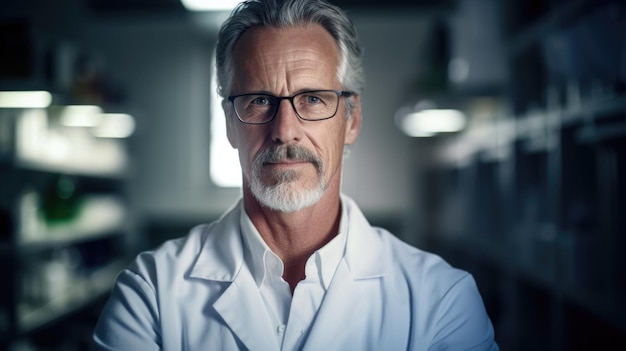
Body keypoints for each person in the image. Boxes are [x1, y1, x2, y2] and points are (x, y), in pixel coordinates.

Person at [92, 0, 499, 350]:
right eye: (258, 101)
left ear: (352, 118)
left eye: (313, 98)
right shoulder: (151, 295)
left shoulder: (441, 299)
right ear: (230, 124)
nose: (285, 129)